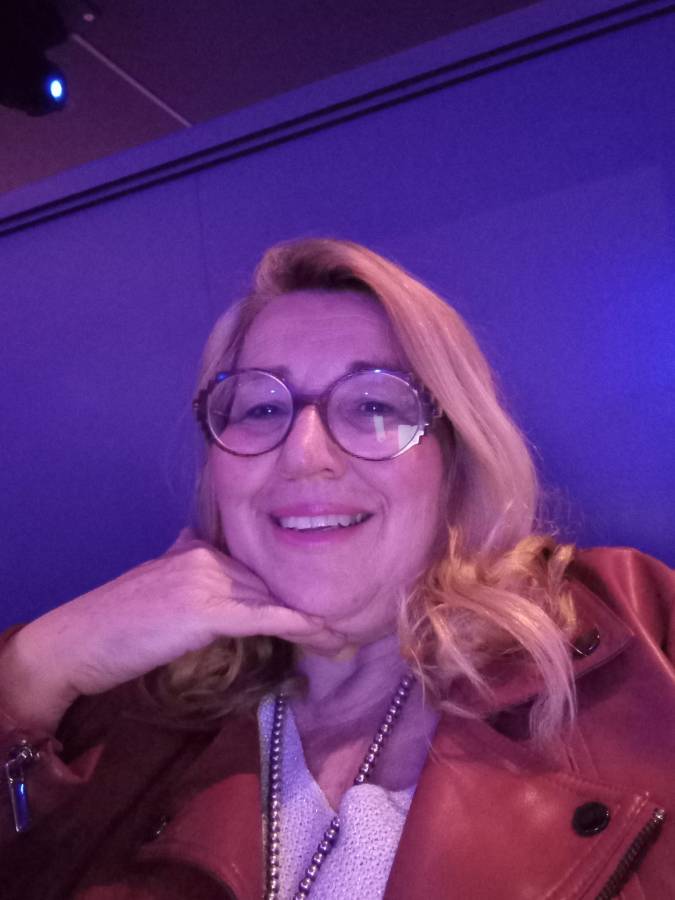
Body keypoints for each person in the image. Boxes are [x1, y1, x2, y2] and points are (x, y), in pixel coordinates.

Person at [0, 238, 673, 900]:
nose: (304, 454)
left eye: (374, 405)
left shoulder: (638, 623)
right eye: (262, 408)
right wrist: (34, 668)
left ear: (453, 456)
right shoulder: (127, 716)